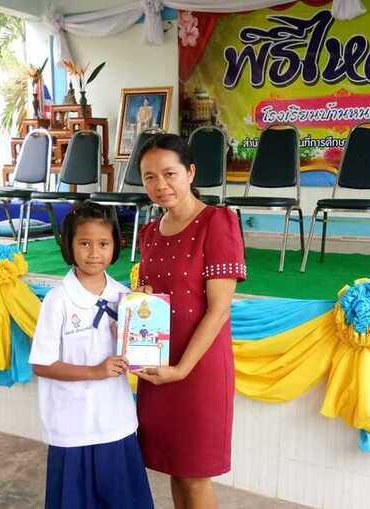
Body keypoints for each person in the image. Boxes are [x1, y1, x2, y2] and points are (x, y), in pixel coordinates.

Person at [133, 134, 246, 508]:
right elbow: (152, 299)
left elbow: (219, 310)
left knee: (196, 478)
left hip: (198, 369)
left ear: (191, 172)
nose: (160, 185)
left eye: (170, 174)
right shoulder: (150, 232)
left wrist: (181, 369)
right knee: (175, 469)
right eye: (149, 177)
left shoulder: (217, 222)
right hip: (158, 367)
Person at [29, 203, 154, 509]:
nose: (94, 253)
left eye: (103, 244)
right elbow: (42, 364)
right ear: (69, 245)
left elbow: (141, 355)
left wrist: (145, 316)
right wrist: (94, 371)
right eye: (85, 243)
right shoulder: (58, 299)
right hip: (73, 425)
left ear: (115, 245)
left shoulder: (124, 296)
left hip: (116, 420)